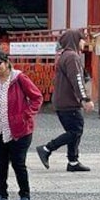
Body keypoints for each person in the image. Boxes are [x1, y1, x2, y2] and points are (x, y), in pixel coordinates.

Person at [0, 49, 43, 200]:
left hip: (19, 129)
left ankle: (25, 197)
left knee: (19, 164)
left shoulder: (19, 78)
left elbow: (37, 97)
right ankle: (2, 196)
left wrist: (26, 115)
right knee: (1, 164)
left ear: (6, 62)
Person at [36, 29, 95, 173]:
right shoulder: (72, 57)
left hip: (62, 100)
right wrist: (85, 98)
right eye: (82, 39)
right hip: (68, 101)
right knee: (75, 130)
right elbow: (77, 80)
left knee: (74, 130)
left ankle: (73, 161)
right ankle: (47, 148)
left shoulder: (65, 56)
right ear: (75, 40)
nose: (84, 43)